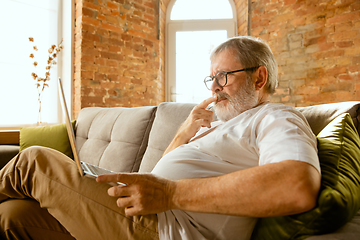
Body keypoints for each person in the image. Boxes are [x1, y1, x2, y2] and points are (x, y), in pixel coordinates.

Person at [0, 36, 321, 240]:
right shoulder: (219, 127)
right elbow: (157, 176)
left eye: (223, 76)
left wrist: (172, 194)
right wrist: (184, 133)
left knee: (35, 162)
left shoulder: (276, 117)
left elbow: (297, 184)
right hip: (147, 216)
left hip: (169, 230)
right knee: (14, 217)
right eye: (212, 78)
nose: (214, 87)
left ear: (259, 76)